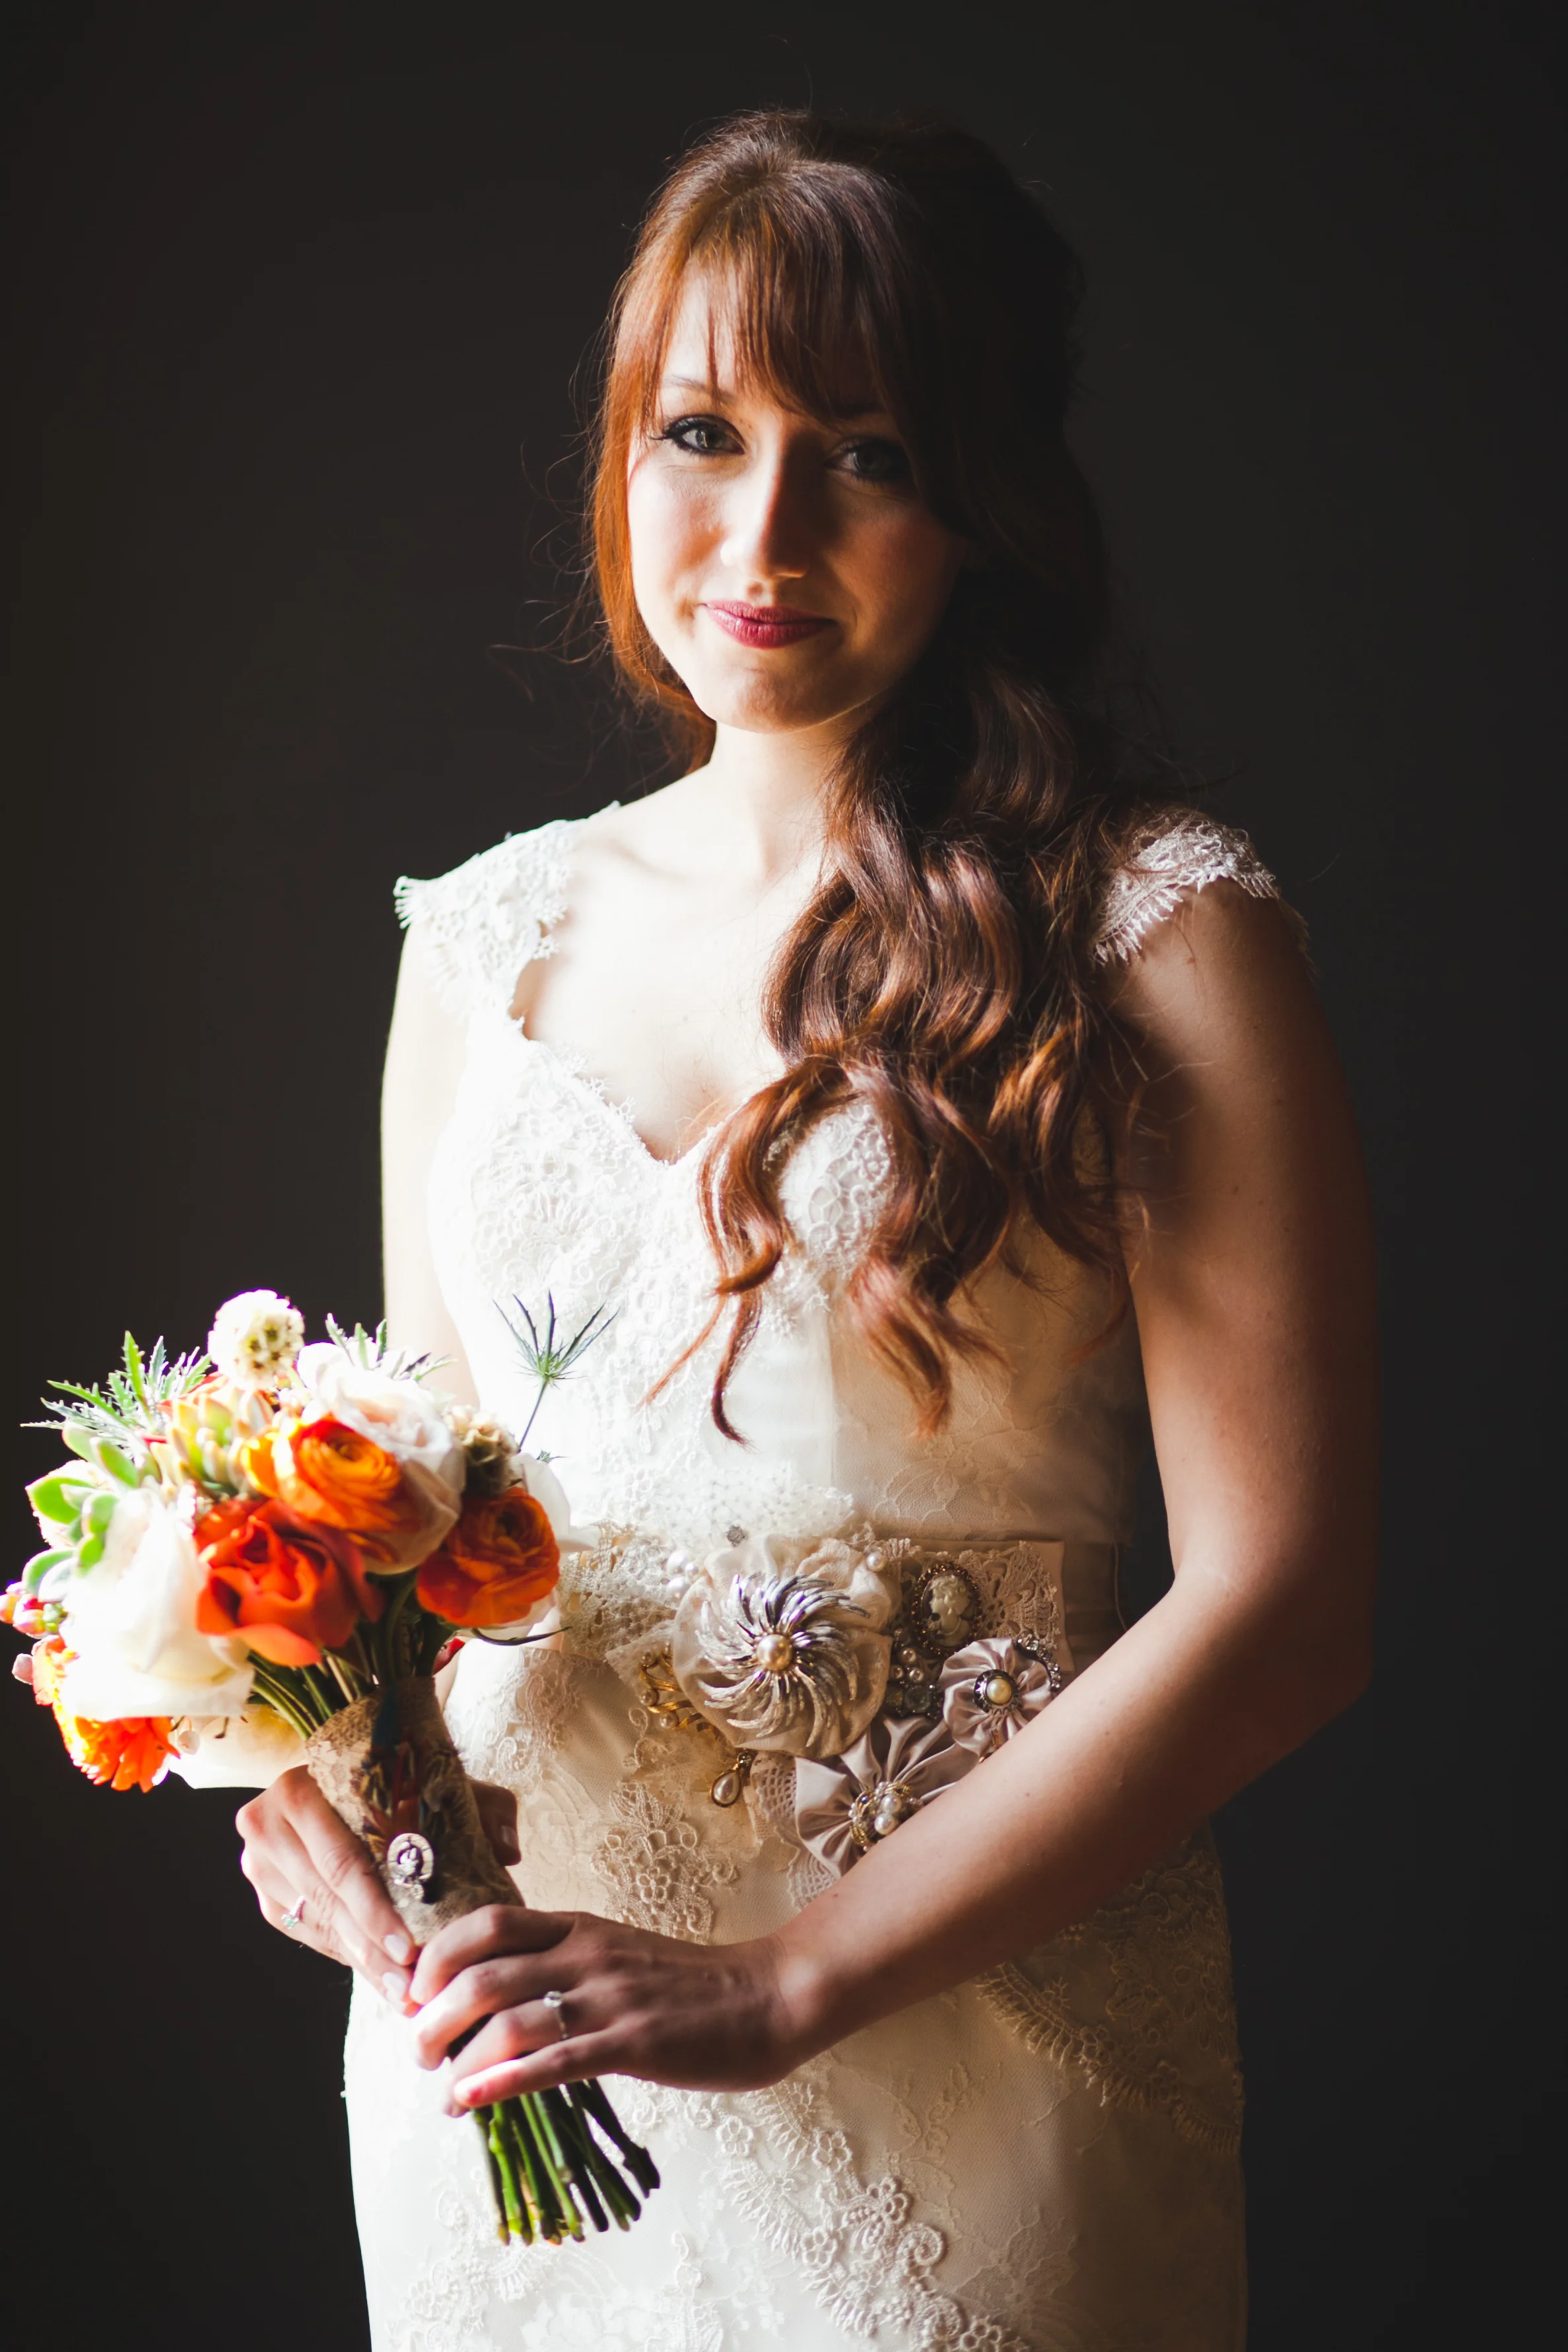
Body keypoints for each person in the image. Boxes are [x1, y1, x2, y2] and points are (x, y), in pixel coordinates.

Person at [236, 110, 1377, 2349]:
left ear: (982, 499)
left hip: (961, 2047)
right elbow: (420, 1548)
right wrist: (335, 1817)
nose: (759, 532)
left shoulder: (1152, 928)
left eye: (859, 454)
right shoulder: (483, 941)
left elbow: (1288, 1608)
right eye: (697, 433)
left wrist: (792, 1977)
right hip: (522, 2078)